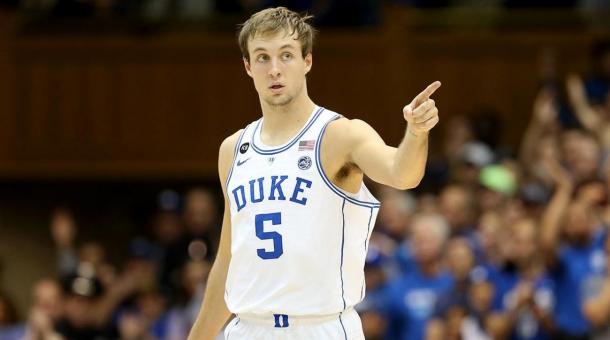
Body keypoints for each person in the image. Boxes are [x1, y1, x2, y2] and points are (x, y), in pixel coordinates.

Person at [187, 6, 441, 340]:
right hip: (248, 328)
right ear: (248, 67)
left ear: (307, 61)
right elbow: (229, 259)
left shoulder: (340, 135)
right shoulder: (233, 150)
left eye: (286, 55)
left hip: (321, 327)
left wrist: (416, 132)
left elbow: (402, 174)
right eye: (262, 57)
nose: (274, 69)